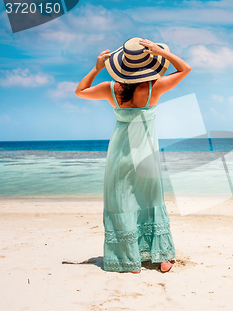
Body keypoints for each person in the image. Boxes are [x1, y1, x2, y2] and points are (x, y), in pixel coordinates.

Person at [75, 37, 191, 273]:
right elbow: (185, 69)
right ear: (148, 65)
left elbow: (80, 91)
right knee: (151, 201)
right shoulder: (154, 87)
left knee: (121, 201)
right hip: (146, 154)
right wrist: (162, 52)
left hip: (119, 153)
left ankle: (130, 260)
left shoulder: (111, 89)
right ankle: (162, 258)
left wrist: (97, 68)